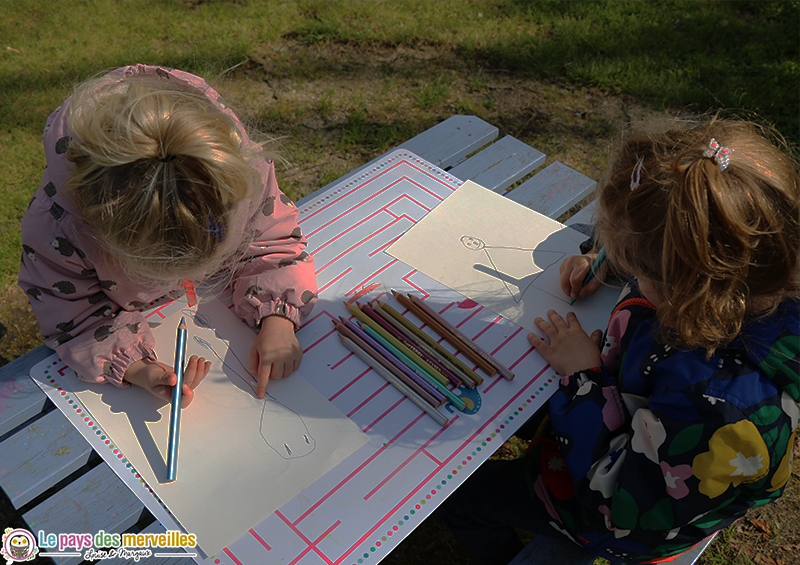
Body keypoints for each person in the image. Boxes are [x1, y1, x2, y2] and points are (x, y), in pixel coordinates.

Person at [438, 118, 799, 564]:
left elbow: (621, 504)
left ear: (683, 288)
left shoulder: (721, 406)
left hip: (630, 517)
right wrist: (601, 257)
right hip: (628, 406)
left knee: (460, 499)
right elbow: (663, 226)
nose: (630, 271)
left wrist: (584, 378)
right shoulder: (752, 256)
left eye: (637, 266)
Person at [19, 64, 318, 407]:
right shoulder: (61, 230)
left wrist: (278, 318)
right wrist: (135, 366)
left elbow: (271, 237)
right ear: (105, 235)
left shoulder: (236, 170)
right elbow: (70, 313)